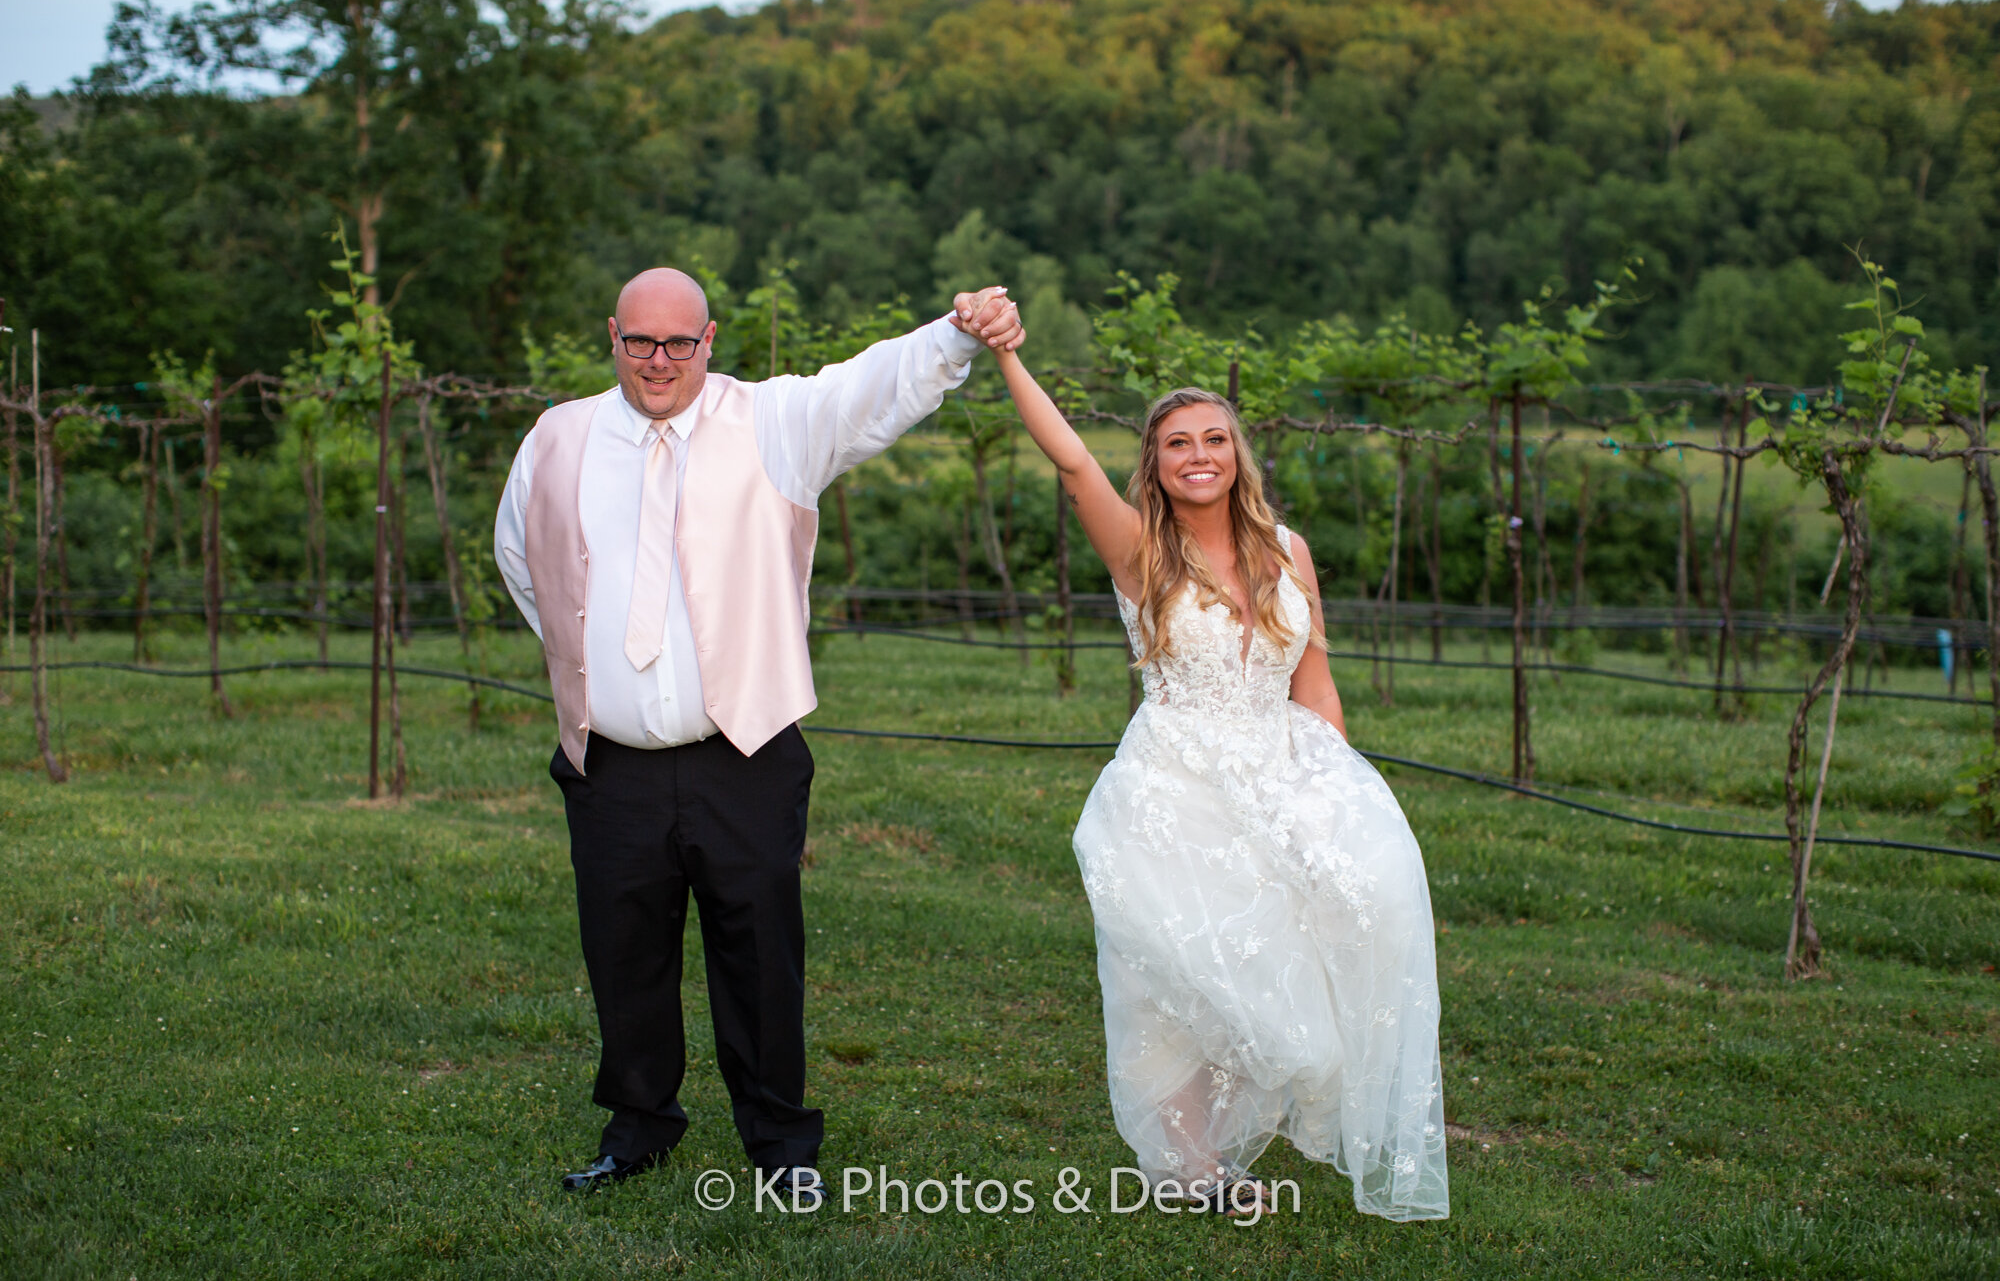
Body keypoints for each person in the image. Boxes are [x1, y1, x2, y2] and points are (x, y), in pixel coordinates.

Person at [495, 268, 1022, 1199]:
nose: (659, 362)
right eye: (640, 342)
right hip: (609, 762)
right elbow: (523, 562)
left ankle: (781, 1147)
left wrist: (957, 333)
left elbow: (873, 384)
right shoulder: (557, 438)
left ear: (710, 340)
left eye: (680, 343)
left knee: (760, 956)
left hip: (744, 754)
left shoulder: (773, 422)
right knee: (624, 954)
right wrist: (598, 670)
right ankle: (638, 1126)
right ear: (611, 335)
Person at [992, 347, 1448, 1222]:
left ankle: (1232, 1143)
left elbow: (1315, 686)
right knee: (1182, 977)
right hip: (1175, 784)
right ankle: (1194, 1170)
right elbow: (1072, 458)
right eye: (1176, 443)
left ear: (1237, 453)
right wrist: (1008, 355)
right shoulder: (1138, 548)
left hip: (1282, 771)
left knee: (1298, 952)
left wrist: (1341, 801)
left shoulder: (1288, 551)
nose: (1198, 454)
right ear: (1155, 463)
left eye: (1214, 438)